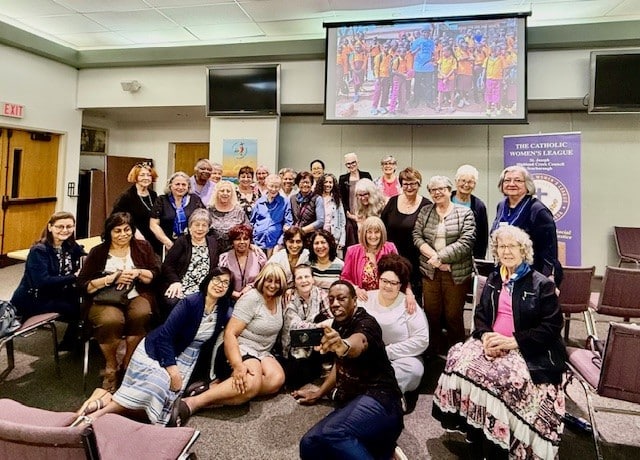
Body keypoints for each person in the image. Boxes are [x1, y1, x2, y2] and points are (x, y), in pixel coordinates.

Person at [432, 225, 567, 460]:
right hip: (492, 340)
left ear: (523, 250)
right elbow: (481, 314)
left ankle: (503, 443)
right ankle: (476, 428)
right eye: (501, 246)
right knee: (458, 360)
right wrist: (485, 337)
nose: (506, 251)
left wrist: (513, 342)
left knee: (504, 380)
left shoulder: (541, 284)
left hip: (527, 348)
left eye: (511, 246)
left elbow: (552, 326)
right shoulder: (495, 278)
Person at [75, 268, 234, 426]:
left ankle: (105, 400)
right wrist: (173, 371)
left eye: (225, 283)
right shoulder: (190, 303)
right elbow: (165, 337)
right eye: (216, 280)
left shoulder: (223, 307)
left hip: (186, 358)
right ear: (208, 281)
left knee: (156, 405)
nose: (220, 285)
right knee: (157, 385)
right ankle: (99, 414)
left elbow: (235, 323)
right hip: (159, 351)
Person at [293, 280, 404, 460]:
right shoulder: (338, 324)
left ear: (354, 300)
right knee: (309, 444)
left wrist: (343, 346)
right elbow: (340, 365)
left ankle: (382, 447)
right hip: (353, 403)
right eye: (331, 299)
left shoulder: (367, 323)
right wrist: (319, 392)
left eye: (341, 298)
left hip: (382, 400)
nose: (335, 303)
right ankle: (381, 449)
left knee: (333, 433)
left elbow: (359, 342)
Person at [171, 264, 288, 425]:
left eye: (277, 282)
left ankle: (214, 389)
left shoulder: (279, 299)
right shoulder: (252, 299)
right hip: (238, 345)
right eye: (269, 280)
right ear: (262, 280)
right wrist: (238, 365)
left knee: (276, 380)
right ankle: (192, 403)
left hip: (262, 351)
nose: (273, 285)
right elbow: (230, 334)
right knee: (252, 382)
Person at [78, 212, 160, 392]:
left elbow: (155, 274)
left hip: (136, 294)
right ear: (109, 232)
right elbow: (83, 285)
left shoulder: (143, 247)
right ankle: (111, 366)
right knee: (111, 320)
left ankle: (128, 361)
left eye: (127, 229)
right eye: (117, 231)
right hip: (105, 298)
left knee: (142, 313)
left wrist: (138, 272)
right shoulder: (98, 252)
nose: (123, 234)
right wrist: (111, 279)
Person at [413, 175, 475, 355]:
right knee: (431, 314)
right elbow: (417, 235)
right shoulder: (425, 212)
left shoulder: (465, 213)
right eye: (433, 190)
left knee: (453, 315)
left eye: (441, 189)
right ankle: (434, 352)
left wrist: (441, 258)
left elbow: (466, 242)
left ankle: (457, 353)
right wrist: (434, 258)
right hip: (430, 271)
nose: (437, 193)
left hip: (454, 272)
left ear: (449, 190)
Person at [11, 212, 86, 350]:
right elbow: (42, 282)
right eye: (60, 227)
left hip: (55, 293)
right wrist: (74, 277)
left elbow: (84, 255)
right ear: (50, 227)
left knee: (90, 299)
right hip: (35, 299)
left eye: (69, 226)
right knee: (80, 307)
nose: (65, 230)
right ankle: (71, 343)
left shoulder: (69, 245)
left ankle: (77, 339)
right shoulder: (39, 251)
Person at [362, 254, 429, 395]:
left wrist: (387, 351)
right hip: (368, 355)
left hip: (402, 358)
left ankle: (384, 393)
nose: (387, 286)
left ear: (400, 285)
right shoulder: (366, 298)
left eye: (393, 283)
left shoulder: (409, 304)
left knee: (414, 370)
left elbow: (422, 340)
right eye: (384, 281)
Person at [491, 165, 563, 286]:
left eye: (518, 180)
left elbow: (549, 251)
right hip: (505, 270)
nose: (512, 184)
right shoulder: (501, 206)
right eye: (507, 180)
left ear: (527, 184)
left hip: (532, 273)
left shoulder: (538, 211)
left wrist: (547, 279)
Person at [381, 167, 432, 307]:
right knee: (390, 299)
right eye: (406, 184)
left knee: (413, 302)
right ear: (401, 185)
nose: (409, 187)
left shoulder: (427, 205)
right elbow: (382, 228)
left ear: (419, 184)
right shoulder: (393, 201)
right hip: (392, 259)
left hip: (416, 262)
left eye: (413, 183)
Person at [159, 209, 219, 317]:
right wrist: (175, 282)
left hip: (204, 287)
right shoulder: (182, 242)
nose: (200, 228)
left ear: (208, 228)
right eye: (197, 225)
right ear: (190, 226)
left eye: (204, 225)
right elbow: (167, 265)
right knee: (172, 302)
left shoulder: (213, 242)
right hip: (182, 285)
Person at [281, 264, 332, 388]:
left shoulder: (321, 294)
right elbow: (294, 325)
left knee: (324, 319)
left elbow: (332, 319)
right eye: (299, 278)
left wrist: (324, 324)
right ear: (294, 282)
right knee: (294, 381)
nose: (304, 281)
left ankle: (326, 366)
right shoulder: (290, 298)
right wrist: (319, 325)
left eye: (307, 276)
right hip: (296, 344)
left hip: (317, 343)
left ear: (313, 279)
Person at [341, 216, 398, 301]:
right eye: (369, 232)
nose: (373, 236)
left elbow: (399, 274)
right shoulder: (352, 251)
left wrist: (409, 293)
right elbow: (344, 278)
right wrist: (356, 289)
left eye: (377, 232)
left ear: (382, 233)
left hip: (386, 298)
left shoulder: (390, 248)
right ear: (364, 233)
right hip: (362, 299)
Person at [111, 162, 161, 253]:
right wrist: (134, 232)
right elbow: (116, 218)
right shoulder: (127, 197)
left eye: (149, 175)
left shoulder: (153, 194)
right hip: (134, 238)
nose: (146, 178)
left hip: (153, 239)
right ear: (135, 177)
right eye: (142, 175)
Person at [150, 171, 204, 254]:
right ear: (170, 185)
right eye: (177, 184)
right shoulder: (162, 200)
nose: (180, 187)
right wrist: (167, 242)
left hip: (191, 245)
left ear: (188, 186)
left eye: (184, 185)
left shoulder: (195, 200)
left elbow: (203, 221)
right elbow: (153, 224)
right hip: (166, 244)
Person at [219, 224, 267, 301]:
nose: (242, 242)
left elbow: (265, 278)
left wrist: (251, 287)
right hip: (229, 300)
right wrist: (231, 293)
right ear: (232, 241)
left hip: (255, 299)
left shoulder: (259, 256)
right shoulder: (224, 258)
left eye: (245, 239)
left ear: (250, 240)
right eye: (238, 239)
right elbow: (220, 280)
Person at [452, 164, 488, 259]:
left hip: (470, 257)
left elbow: (482, 237)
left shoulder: (479, 206)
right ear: (456, 182)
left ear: (475, 185)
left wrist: (479, 259)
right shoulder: (446, 200)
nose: (466, 185)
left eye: (470, 182)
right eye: (463, 181)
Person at [250, 174, 292, 257]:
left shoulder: (285, 202)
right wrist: (252, 241)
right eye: (271, 186)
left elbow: (288, 224)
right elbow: (252, 222)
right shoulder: (259, 202)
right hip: (258, 242)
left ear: (280, 187)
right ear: (266, 185)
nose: (274, 189)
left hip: (275, 244)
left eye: (277, 187)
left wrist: (280, 243)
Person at [338, 152, 372, 247]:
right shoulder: (342, 178)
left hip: (365, 213)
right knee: (352, 240)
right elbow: (341, 198)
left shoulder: (366, 175)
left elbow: (371, 194)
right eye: (348, 164)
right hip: (350, 215)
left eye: (353, 162)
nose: (351, 165)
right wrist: (348, 213)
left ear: (358, 162)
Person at [207, 179, 249, 253]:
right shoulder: (209, 211)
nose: (225, 193)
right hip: (212, 251)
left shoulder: (239, 211)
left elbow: (247, 231)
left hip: (234, 252)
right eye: (222, 191)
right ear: (217, 193)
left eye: (228, 191)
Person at [317, 173, 346, 256]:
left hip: (334, 237)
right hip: (319, 236)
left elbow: (342, 222)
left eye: (330, 182)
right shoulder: (316, 198)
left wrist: (342, 240)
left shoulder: (337, 200)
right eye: (325, 182)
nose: (328, 184)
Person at [290, 171, 324, 238]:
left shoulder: (317, 198)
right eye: (302, 182)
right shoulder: (292, 198)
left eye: (307, 182)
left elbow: (320, 221)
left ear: (311, 184)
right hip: (296, 236)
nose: (305, 185)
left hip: (311, 235)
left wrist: (302, 230)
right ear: (298, 184)